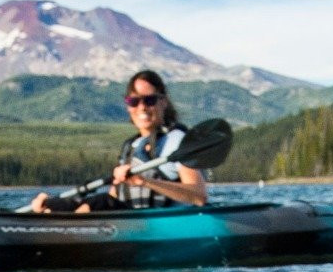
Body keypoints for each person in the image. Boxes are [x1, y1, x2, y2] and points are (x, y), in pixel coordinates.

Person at [29, 70, 208, 213]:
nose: (142, 107)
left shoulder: (177, 141)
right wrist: (57, 205)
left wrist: (145, 182)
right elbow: (115, 196)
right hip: (132, 220)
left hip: (166, 223)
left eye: (150, 100)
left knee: (98, 204)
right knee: (59, 206)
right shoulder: (131, 146)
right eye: (133, 101)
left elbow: (199, 196)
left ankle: (63, 236)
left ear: (163, 102)